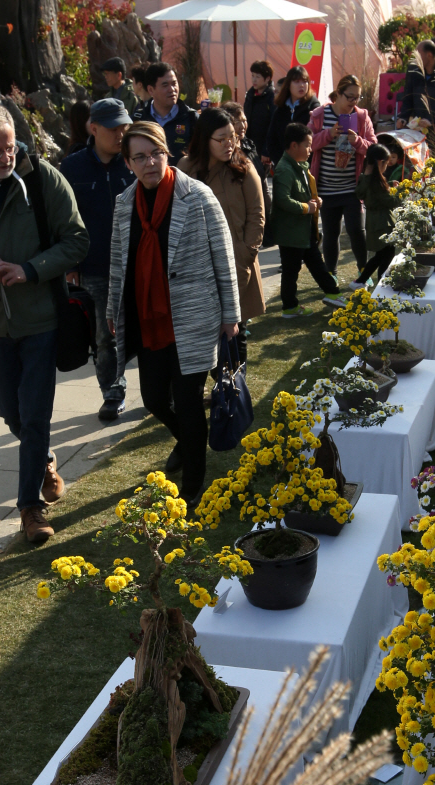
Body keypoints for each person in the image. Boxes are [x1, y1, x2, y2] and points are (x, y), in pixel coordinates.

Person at [0, 103, 89, 544]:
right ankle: (43, 460)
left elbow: (78, 239)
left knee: (35, 412)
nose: (7, 156)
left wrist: (30, 268)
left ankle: (31, 509)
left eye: (11, 146)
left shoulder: (43, 179)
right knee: (11, 410)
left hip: (41, 318)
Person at [107, 121, 240, 510]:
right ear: (129, 162)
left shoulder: (197, 196)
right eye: (140, 157)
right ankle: (188, 439)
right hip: (147, 317)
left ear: (167, 153)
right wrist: (114, 309)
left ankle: (194, 483)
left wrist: (231, 313)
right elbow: (120, 262)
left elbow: (224, 256)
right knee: (152, 398)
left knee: (187, 400)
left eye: (156, 154)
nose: (150, 163)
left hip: (192, 317)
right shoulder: (123, 203)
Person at [60, 98, 135, 421]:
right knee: (105, 336)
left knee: (148, 326)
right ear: (93, 128)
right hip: (94, 266)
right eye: (113, 128)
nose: (120, 134)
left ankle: (164, 390)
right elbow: (62, 221)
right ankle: (112, 390)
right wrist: (71, 264)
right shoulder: (72, 167)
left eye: (124, 127)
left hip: (137, 263)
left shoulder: (134, 161)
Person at [178, 107, 265, 366]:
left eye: (233, 137)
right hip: (198, 267)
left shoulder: (244, 167)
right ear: (205, 139)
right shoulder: (185, 168)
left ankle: (233, 396)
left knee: (235, 333)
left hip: (239, 264)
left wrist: (244, 256)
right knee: (204, 336)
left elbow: (257, 216)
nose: (229, 144)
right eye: (222, 139)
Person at [307, 73, 376, 285]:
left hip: (352, 187)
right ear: (338, 94)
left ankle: (363, 270)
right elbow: (307, 143)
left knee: (357, 229)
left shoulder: (362, 116)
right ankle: (331, 273)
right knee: (330, 232)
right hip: (326, 188)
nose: (354, 102)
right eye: (350, 97)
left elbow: (373, 147)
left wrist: (358, 142)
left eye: (358, 98)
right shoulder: (319, 115)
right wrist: (328, 134)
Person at [271, 122, 344, 319]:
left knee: (315, 263)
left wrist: (314, 200)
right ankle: (290, 307)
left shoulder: (299, 165)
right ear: (294, 145)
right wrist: (307, 207)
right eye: (308, 145)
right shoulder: (285, 169)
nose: (311, 149)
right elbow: (282, 200)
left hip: (303, 231)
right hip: (291, 233)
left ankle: (333, 293)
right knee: (291, 271)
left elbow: (301, 193)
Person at [133, 61, 197, 165]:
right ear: (151, 90)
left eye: (174, 83)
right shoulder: (139, 120)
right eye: (165, 85)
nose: (172, 89)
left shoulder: (191, 118)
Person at [397, 39, 435, 151]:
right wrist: (403, 117)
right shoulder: (414, 71)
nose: (415, 58)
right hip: (417, 129)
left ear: (429, 55)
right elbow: (408, 97)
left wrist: (431, 121)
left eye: (419, 54)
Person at [354, 144, 397, 288]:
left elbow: (373, 194)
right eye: (386, 162)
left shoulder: (367, 178)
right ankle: (382, 285)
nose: (387, 165)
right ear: (380, 162)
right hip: (382, 223)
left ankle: (361, 281)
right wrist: (403, 193)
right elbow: (388, 201)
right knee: (385, 256)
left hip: (376, 223)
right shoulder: (375, 182)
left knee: (381, 256)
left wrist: (390, 184)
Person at [264, 66, 319, 166]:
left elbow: (317, 141)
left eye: (305, 81)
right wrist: (280, 162)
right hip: (283, 166)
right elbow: (271, 139)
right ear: (288, 84)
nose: (302, 85)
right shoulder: (281, 108)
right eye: (297, 81)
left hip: (306, 167)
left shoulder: (314, 108)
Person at [243, 60, 275, 166]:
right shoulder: (250, 95)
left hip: (263, 148)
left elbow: (273, 125)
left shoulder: (272, 97)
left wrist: (267, 150)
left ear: (267, 78)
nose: (254, 79)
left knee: (259, 178)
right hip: (248, 146)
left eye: (257, 76)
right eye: (252, 76)